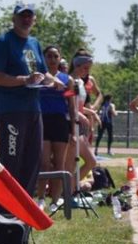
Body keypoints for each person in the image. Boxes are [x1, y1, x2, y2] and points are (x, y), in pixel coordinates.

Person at [0, 3, 52, 195]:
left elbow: (43, 73)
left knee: (34, 159)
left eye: (29, 16)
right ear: (14, 18)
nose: (26, 19)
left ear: (34, 19)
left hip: (34, 109)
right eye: (22, 16)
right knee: (12, 159)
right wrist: (24, 80)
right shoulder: (3, 42)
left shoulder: (34, 43)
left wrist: (54, 81)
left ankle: (25, 212)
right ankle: (5, 211)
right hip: (12, 110)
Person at [36, 46, 73, 202]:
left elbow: (70, 103)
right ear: (44, 58)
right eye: (49, 56)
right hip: (43, 120)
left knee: (59, 163)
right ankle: (41, 198)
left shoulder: (67, 79)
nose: (52, 59)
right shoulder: (39, 77)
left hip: (60, 122)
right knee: (44, 163)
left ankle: (55, 199)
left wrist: (73, 128)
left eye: (55, 56)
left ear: (60, 58)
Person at [65, 53, 98, 183]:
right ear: (76, 65)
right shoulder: (70, 81)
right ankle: (66, 193)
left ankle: (70, 189)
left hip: (81, 128)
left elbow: (79, 106)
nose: (87, 71)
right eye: (85, 68)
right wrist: (80, 115)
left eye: (89, 68)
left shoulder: (80, 83)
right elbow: (69, 104)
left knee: (91, 162)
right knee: (70, 165)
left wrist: (91, 112)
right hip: (71, 126)